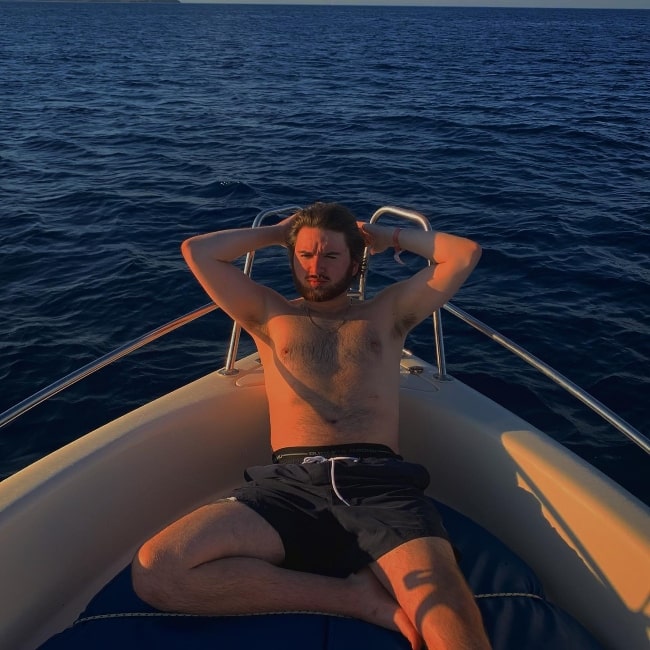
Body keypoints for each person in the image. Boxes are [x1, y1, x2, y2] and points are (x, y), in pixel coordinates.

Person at [132, 202, 490, 650]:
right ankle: (354, 598)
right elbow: (197, 250)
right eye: (304, 256)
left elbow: (464, 254)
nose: (315, 268)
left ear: (356, 261)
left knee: (450, 622)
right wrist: (278, 233)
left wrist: (390, 237)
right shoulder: (267, 314)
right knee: (158, 571)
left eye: (330, 256)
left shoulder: (388, 313)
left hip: (380, 485)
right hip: (289, 487)